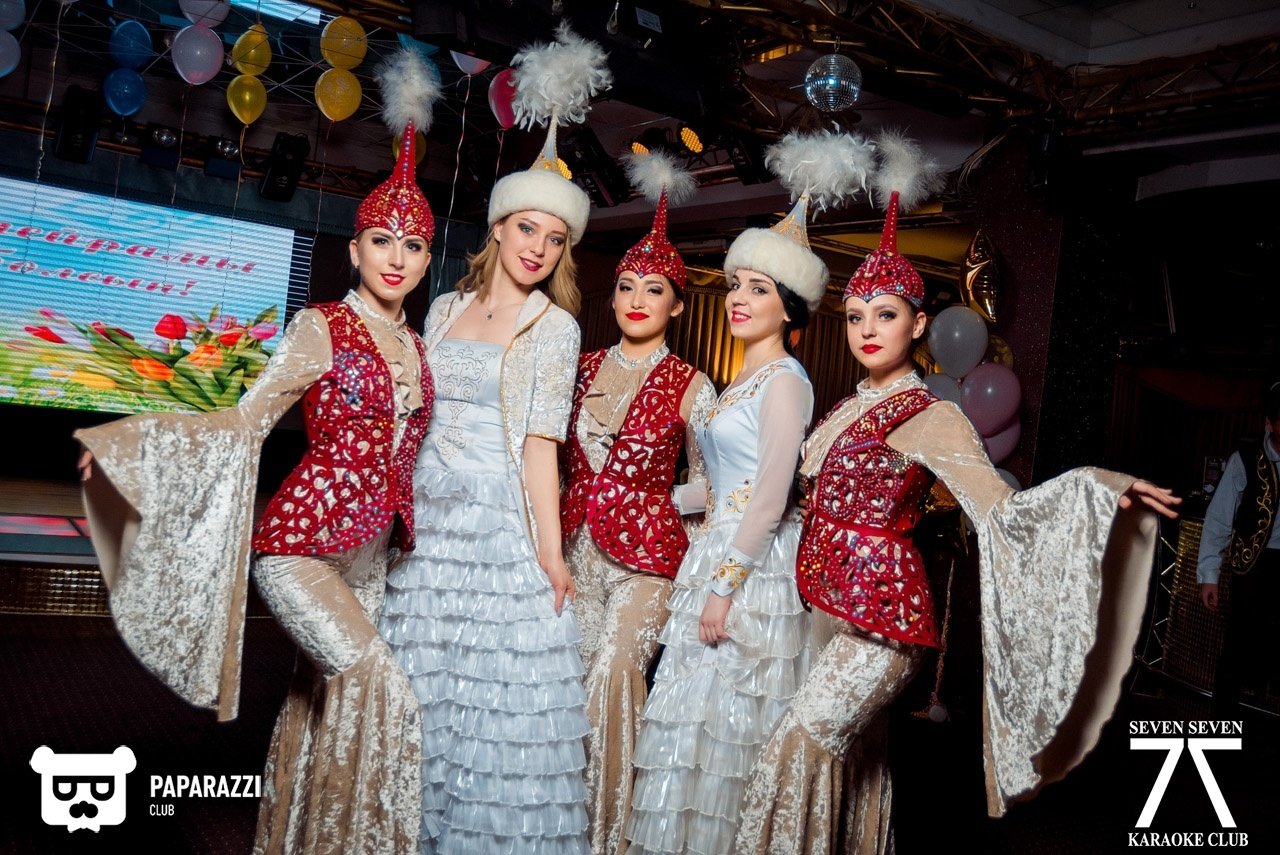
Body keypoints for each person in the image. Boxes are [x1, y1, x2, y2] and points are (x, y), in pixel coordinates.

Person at [731, 132, 1181, 855]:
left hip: (884, 623)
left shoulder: (930, 413)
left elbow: (1001, 507)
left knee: (798, 745)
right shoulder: (844, 406)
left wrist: (1099, 491)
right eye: (856, 314)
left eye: (885, 314)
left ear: (918, 324)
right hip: (822, 602)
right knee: (859, 765)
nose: (867, 329)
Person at [75, 107, 439, 854]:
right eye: (381, 240)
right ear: (354, 249)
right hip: (302, 548)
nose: (396, 258)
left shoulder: (418, 343)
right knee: (382, 690)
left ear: (428, 258)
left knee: (321, 702)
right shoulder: (321, 326)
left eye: (412, 245)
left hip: (373, 555)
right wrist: (138, 446)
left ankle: (295, 839)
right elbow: (245, 422)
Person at [377, 24, 609, 854]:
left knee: (492, 697)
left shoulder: (556, 327)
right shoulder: (442, 307)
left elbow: (543, 446)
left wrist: (550, 553)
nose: (539, 248)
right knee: (424, 681)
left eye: (556, 238)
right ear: (500, 226)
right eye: (528, 230)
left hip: (494, 521)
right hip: (428, 519)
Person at [626, 130, 873, 855]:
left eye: (758, 289)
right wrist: (648, 500)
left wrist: (723, 588)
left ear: (789, 308)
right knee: (688, 726)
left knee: (727, 726)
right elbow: (717, 487)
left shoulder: (787, 382)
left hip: (752, 568)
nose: (738, 298)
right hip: (716, 549)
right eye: (736, 284)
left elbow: (768, 497)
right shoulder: (741, 378)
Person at [558, 151, 716, 854]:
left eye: (654, 290)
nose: (636, 299)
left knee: (614, 674)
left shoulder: (691, 383)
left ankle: (607, 834)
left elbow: (713, 487)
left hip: (648, 561)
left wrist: (652, 495)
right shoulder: (581, 367)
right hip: (574, 554)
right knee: (564, 681)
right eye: (626, 286)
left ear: (677, 304)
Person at [1197, 381, 1280, 713]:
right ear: (1270, 423)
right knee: (1239, 647)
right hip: (1254, 567)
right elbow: (1218, 519)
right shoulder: (1245, 459)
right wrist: (1209, 574)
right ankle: (1222, 726)